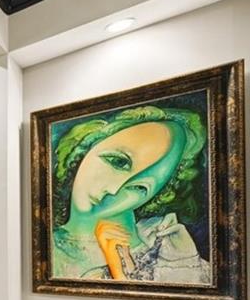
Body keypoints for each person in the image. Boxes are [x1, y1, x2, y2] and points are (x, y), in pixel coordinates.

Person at [51, 105, 210, 284]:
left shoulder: (176, 256)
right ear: (87, 145)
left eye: (140, 188)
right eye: (118, 162)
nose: (114, 189)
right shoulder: (41, 245)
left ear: (154, 197)